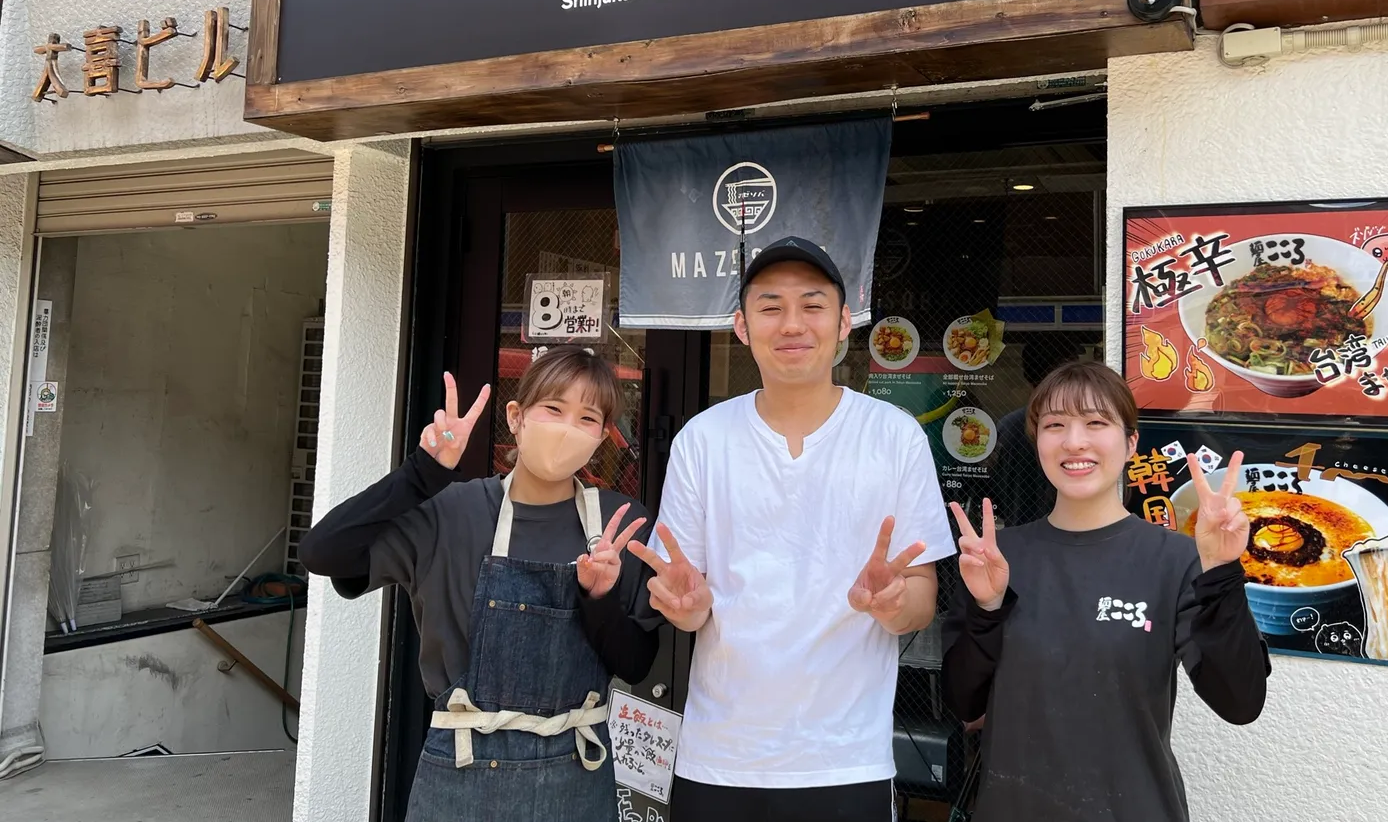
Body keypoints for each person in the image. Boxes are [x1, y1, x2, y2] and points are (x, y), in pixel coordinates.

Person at [627, 236, 957, 822]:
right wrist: (686, 606)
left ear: (844, 322)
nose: (792, 324)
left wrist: (892, 603)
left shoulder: (894, 436)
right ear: (742, 326)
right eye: (770, 306)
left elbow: (921, 601)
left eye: (812, 304)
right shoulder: (703, 440)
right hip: (720, 758)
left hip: (847, 760)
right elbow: (691, 605)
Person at [299, 346, 661, 821]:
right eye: (553, 409)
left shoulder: (618, 526)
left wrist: (600, 598)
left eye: (587, 418)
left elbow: (636, 664)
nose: (567, 428)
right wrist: (421, 473)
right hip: (461, 770)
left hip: (576, 773)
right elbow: (322, 552)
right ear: (516, 417)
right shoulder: (451, 512)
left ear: (600, 437)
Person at [941, 360, 1270, 820]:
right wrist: (987, 608)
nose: (1075, 441)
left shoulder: (1175, 560)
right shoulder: (999, 558)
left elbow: (1240, 702)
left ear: (1131, 442)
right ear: (1037, 441)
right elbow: (962, 703)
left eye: (1096, 423)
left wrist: (1220, 572)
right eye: (1055, 425)